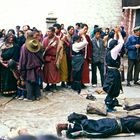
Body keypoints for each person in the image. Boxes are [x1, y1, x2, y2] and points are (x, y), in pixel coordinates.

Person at [56, 112, 140, 139]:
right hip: (115, 124)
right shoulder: (81, 124)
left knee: (131, 121)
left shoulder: (81, 124)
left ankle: (64, 127)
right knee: (132, 121)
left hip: (115, 123)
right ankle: (63, 127)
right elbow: (70, 135)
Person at [103, 26, 124, 112]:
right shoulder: (114, 51)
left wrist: (116, 33)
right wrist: (118, 32)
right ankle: (108, 105)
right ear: (114, 46)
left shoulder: (109, 49)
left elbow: (115, 41)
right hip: (114, 72)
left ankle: (111, 104)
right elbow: (121, 42)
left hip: (110, 71)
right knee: (113, 88)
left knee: (113, 88)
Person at [19, 33, 43, 101]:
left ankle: (30, 97)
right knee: (36, 81)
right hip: (37, 67)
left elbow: (23, 59)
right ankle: (38, 96)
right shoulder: (38, 45)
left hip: (29, 67)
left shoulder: (24, 46)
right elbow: (41, 57)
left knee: (29, 81)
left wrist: (21, 68)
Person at [43, 27, 61, 91]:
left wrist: (58, 59)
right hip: (46, 58)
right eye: (47, 31)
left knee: (54, 73)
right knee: (46, 72)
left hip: (54, 58)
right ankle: (47, 85)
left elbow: (60, 49)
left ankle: (54, 85)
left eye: (49, 31)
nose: (48, 33)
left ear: (53, 32)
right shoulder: (45, 39)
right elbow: (43, 49)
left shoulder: (57, 39)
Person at [71, 29, 88, 93]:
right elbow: (86, 42)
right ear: (77, 40)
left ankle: (75, 86)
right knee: (77, 74)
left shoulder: (75, 45)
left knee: (77, 73)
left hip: (76, 60)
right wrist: (83, 35)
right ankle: (77, 87)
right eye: (79, 39)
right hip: (77, 61)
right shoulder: (76, 45)